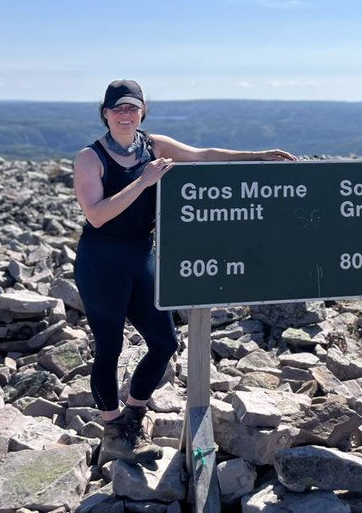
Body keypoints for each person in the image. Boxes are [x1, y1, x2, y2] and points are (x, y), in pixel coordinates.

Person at [73, 79, 297, 464]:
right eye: (118, 109)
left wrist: (257, 156)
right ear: (105, 113)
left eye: (133, 108)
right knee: (109, 347)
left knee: (164, 343)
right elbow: (96, 215)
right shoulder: (90, 158)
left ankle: (133, 415)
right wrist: (144, 182)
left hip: (141, 255)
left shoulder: (153, 145)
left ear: (143, 111)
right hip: (101, 261)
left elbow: (203, 154)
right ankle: (113, 432)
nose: (126, 115)